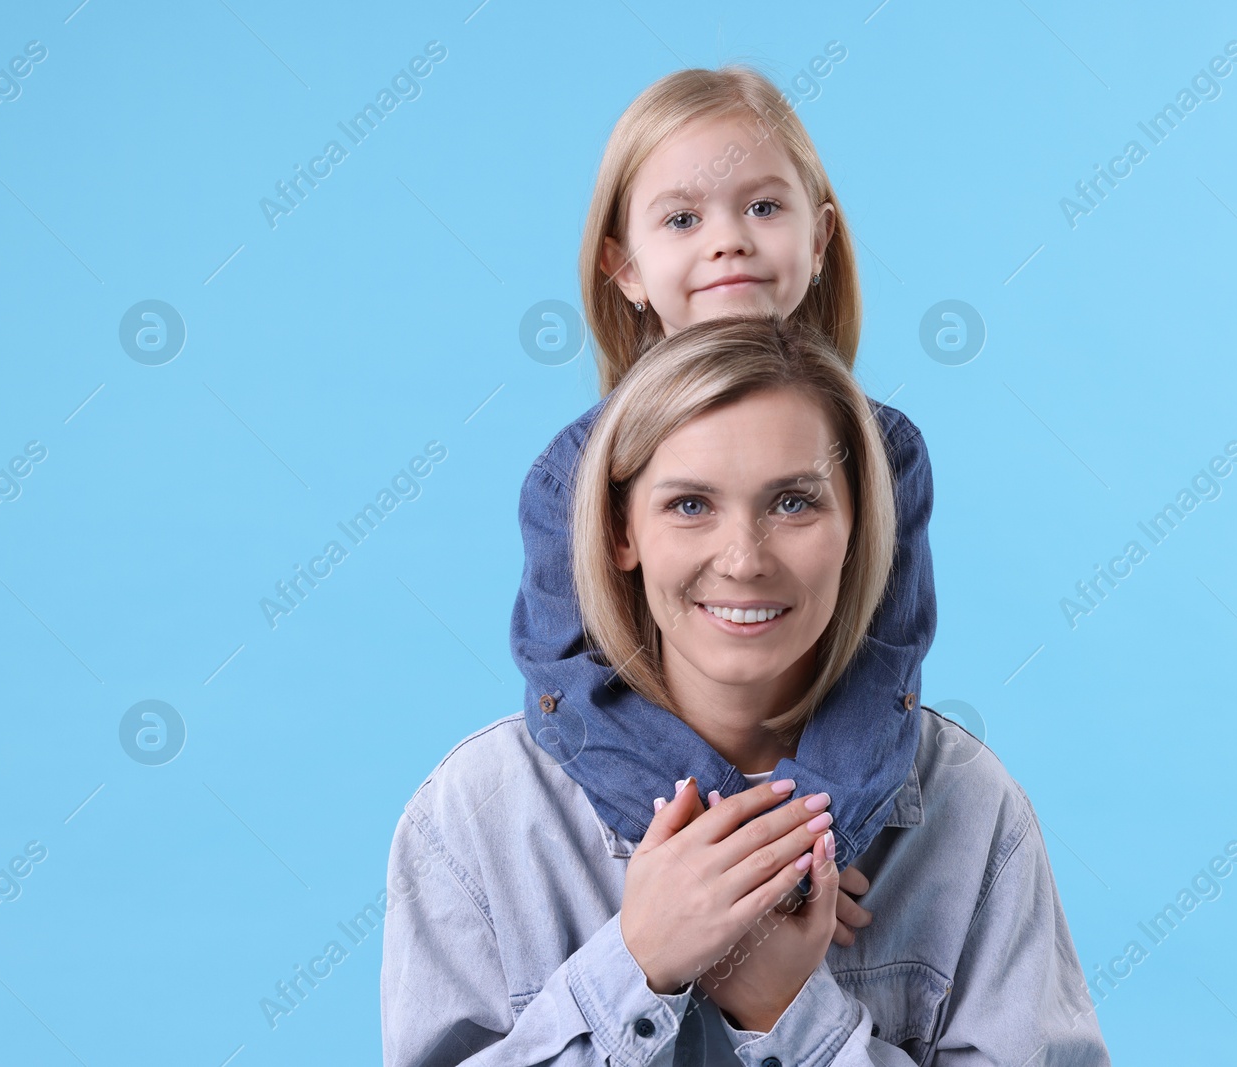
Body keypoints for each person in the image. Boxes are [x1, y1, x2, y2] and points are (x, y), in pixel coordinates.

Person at [381, 314, 1111, 1065]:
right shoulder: (476, 815)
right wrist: (636, 966)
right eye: (690, 504)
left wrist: (787, 1013)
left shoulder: (972, 808)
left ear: (860, 527)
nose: (743, 560)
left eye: (793, 501)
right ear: (621, 531)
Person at [510, 65, 935, 885]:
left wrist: (806, 850)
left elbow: (883, 669)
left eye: (764, 207)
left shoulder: (884, 451)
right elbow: (572, 688)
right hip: (661, 838)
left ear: (819, 240)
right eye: (680, 217)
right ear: (623, 267)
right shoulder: (571, 476)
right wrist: (741, 864)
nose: (728, 238)